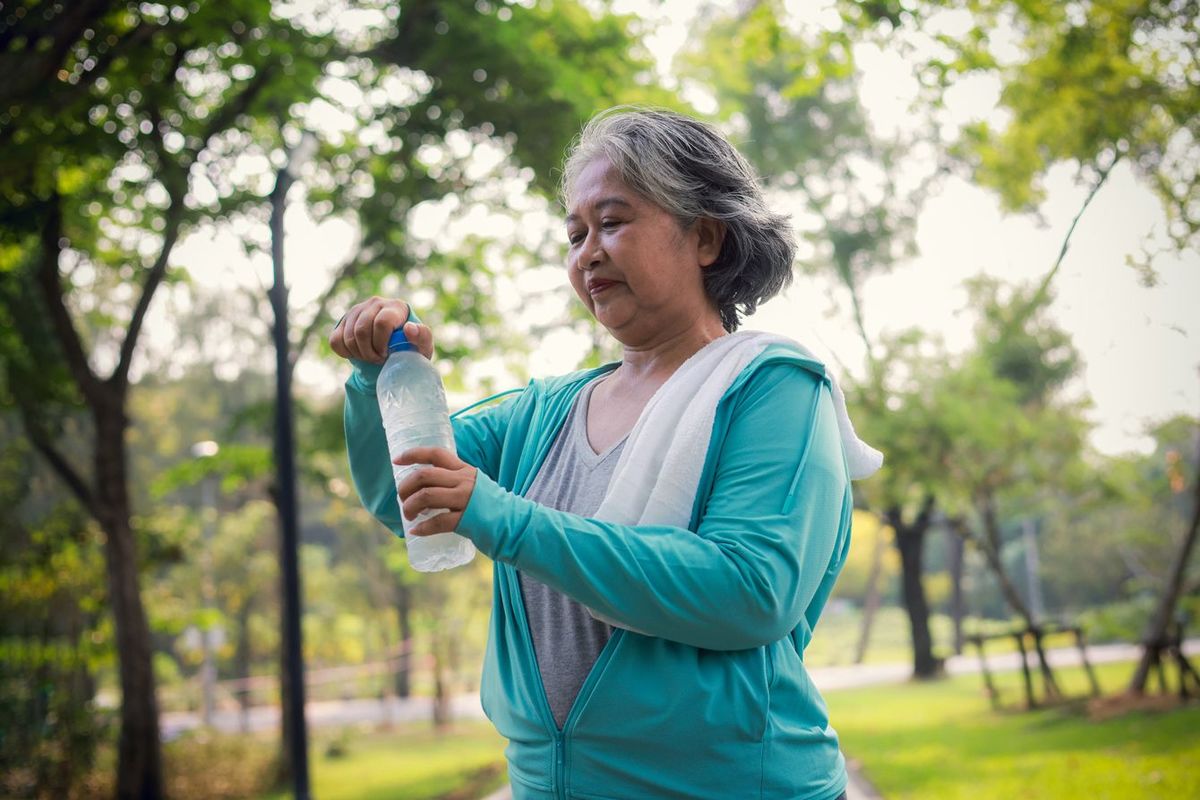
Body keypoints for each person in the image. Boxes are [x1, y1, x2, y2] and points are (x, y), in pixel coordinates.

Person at [330, 107, 881, 800]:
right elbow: (403, 493)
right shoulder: (543, 412)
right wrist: (376, 376)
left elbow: (750, 591)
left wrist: (504, 518)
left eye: (613, 223)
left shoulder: (770, 389)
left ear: (704, 237)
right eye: (574, 233)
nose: (587, 252)